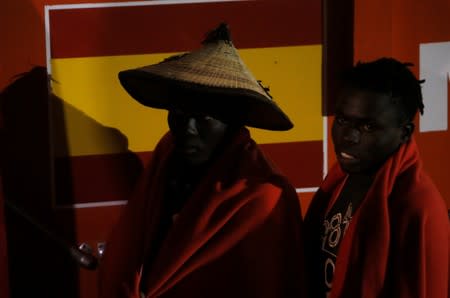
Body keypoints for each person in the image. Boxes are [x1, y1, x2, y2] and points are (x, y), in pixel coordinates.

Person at [98, 23, 305, 298]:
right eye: (178, 114)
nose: (188, 129)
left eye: (204, 117)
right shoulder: (167, 159)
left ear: (232, 121)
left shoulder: (264, 194)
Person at [304, 57, 449, 298]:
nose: (349, 136)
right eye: (342, 120)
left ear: (404, 133)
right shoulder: (341, 179)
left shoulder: (418, 207)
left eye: (368, 127)